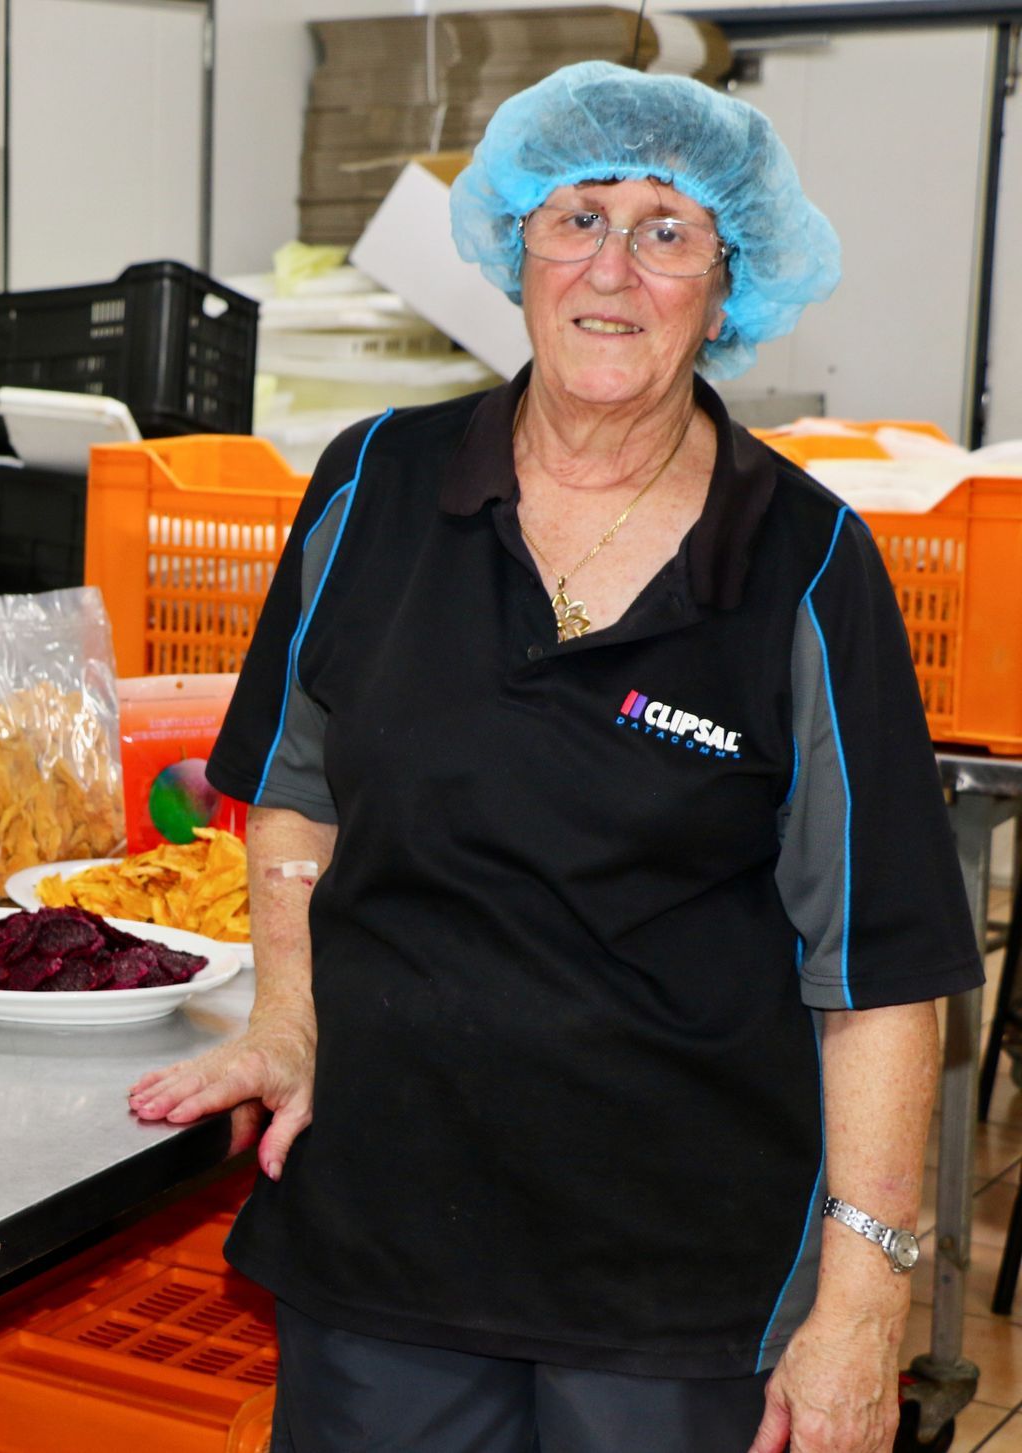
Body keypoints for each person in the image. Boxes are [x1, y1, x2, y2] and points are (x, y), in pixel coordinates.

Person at [130, 60, 982, 1453]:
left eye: (667, 230)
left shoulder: (810, 564)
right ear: (514, 241)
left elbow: (878, 967)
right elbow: (292, 789)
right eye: (577, 216)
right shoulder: (373, 486)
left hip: (676, 1284)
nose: (614, 266)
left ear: (728, 281)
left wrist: (867, 1291)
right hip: (384, 1245)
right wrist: (286, 1017)